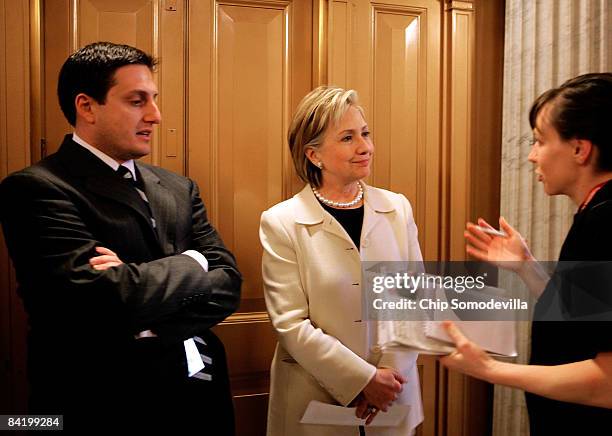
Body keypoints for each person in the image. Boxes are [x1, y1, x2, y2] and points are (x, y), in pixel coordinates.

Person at [0, 42, 241, 433]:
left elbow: (229, 282)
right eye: (136, 101)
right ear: (87, 106)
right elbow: (98, 301)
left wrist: (139, 295)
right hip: (101, 405)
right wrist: (193, 263)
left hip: (199, 398)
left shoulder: (179, 188)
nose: (156, 115)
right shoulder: (36, 188)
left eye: (154, 99)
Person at [440, 73, 612, 434]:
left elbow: (608, 382)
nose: (532, 156)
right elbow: (586, 322)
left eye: (539, 141)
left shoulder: (605, 223)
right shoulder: (596, 213)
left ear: (580, 149)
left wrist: (490, 370)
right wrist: (527, 268)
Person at [259, 86, 424, 435]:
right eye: (348, 138)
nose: (365, 147)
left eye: (365, 133)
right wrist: (362, 380)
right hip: (315, 406)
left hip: (393, 400)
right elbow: (291, 324)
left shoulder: (397, 208)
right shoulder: (282, 221)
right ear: (314, 155)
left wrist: (387, 380)